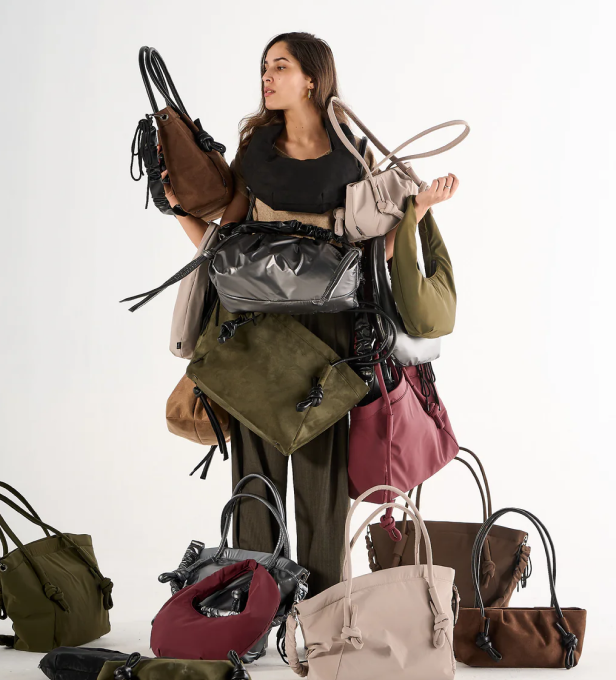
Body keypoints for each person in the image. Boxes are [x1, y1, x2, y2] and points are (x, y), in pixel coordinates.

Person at [160, 32, 459, 596]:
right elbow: (222, 245)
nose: (267, 77)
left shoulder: (355, 155)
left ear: (312, 79)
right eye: (264, 67)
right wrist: (176, 208)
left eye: (281, 66)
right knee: (255, 479)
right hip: (254, 327)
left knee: (322, 483)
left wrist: (417, 210)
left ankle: (322, 618)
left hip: (329, 332)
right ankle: (256, 609)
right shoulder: (253, 154)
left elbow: (372, 255)